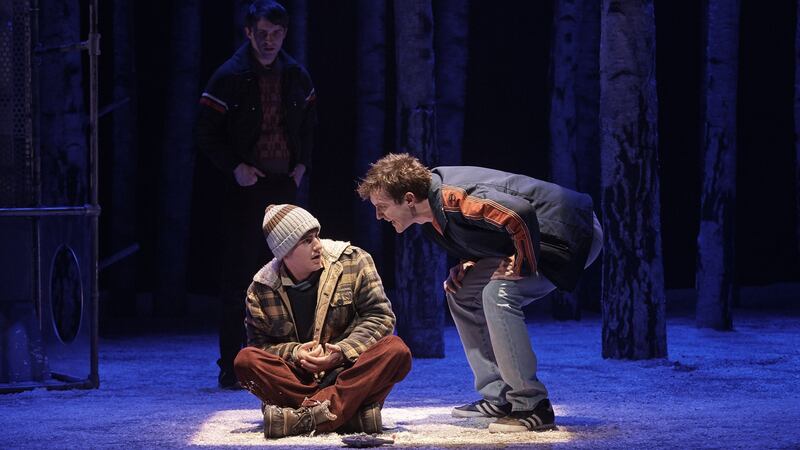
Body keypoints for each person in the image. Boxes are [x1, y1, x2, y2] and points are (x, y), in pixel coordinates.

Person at [356, 153, 603, 433]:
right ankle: (500, 397)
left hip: (569, 232)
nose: (378, 216)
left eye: (382, 206)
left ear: (409, 199)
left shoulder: (454, 198)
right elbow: (484, 231)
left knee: (499, 293)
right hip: (531, 236)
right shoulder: (432, 220)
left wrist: (519, 265)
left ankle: (532, 405)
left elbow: (518, 214)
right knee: (462, 292)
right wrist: (470, 263)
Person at [196, 0, 317, 388]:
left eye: (276, 34)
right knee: (240, 277)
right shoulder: (229, 76)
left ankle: (290, 362)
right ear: (249, 32)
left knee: (292, 272)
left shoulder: (296, 75)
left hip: (284, 185)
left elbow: (311, 125)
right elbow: (205, 133)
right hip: (245, 187)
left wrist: (302, 165)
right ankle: (233, 367)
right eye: (262, 33)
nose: (269, 41)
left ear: (285, 33)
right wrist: (235, 167)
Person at [233, 204, 412, 438]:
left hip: (347, 373)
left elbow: (380, 316)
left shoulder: (353, 261)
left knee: (396, 350)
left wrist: (342, 351)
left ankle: (302, 418)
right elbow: (260, 347)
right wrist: (295, 353)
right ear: (284, 252)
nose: (318, 245)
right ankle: (349, 416)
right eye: (307, 241)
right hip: (299, 379)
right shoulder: (261, 290)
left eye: (316, 235)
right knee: (245, 360)